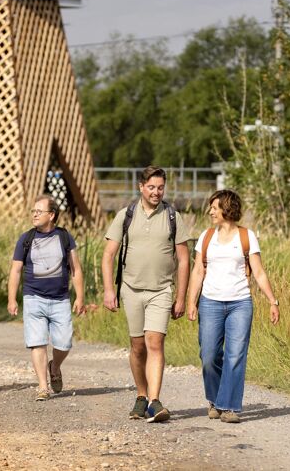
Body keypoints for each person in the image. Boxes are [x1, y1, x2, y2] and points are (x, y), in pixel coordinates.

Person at [100, 165, 192, 423]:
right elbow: (108, 255)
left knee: (155, 343)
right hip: (131, 289)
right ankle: (141, 396)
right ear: (141, 187)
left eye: (160, 187)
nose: (156, 192)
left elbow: (184, 260)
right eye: (151, 187)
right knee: (138, 347)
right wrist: (109, 290)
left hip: (161, 290)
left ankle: (154, 400)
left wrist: (181, 297)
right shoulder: (125, 215)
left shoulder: (173, 216)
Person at [186, 189, 280, 424]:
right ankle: (215, 399)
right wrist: (191, 301)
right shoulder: (206, 237)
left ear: (226, 209)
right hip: (210, 302)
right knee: (208, 355)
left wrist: (272, 300)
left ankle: (229, 406)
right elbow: (198, 271)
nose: (210, 211)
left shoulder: (246, 237)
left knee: (235, 355)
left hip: (240, 303)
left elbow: (258, 271)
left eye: (214, 208)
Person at [7, 195, 86, 401]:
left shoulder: (64, 237)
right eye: (33, 211)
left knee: (64, 343)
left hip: (60, 299)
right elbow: (15, 271)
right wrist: (12, 299)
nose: (34, 214)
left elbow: (75, 269)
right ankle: (43, 386)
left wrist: (80, 297)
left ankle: (55, 366)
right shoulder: (26, 239)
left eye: (39, 211)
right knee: (37, 342)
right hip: (33, 297)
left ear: (51, 215)